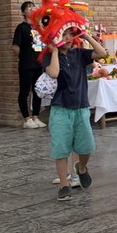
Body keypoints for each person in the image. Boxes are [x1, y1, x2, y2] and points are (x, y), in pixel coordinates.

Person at [43, 27, 107, 201]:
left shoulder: (79, 53)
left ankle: (82, 168)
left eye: (71, 34)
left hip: (81, 108)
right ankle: (64, 185)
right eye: (63, 34)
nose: (68, 38)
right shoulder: (49, 57)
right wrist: (55, 50)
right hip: (60, 109)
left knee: (87, 147)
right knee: (61, 148)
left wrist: (84, 34)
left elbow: (101, 53)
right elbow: (54, 73)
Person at [12, 1, 46, 129]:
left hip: (38, 63)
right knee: (24, 91)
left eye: (33, 6)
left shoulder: (38, 27)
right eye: (28, 7)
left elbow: (45, 41)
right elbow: (15, 47)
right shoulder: (21, 27)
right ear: (23, 12)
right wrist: (25, 55)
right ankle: (27, 119)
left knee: (37, 90)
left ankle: (36, 116)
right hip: (26, 64)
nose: (31, 9)